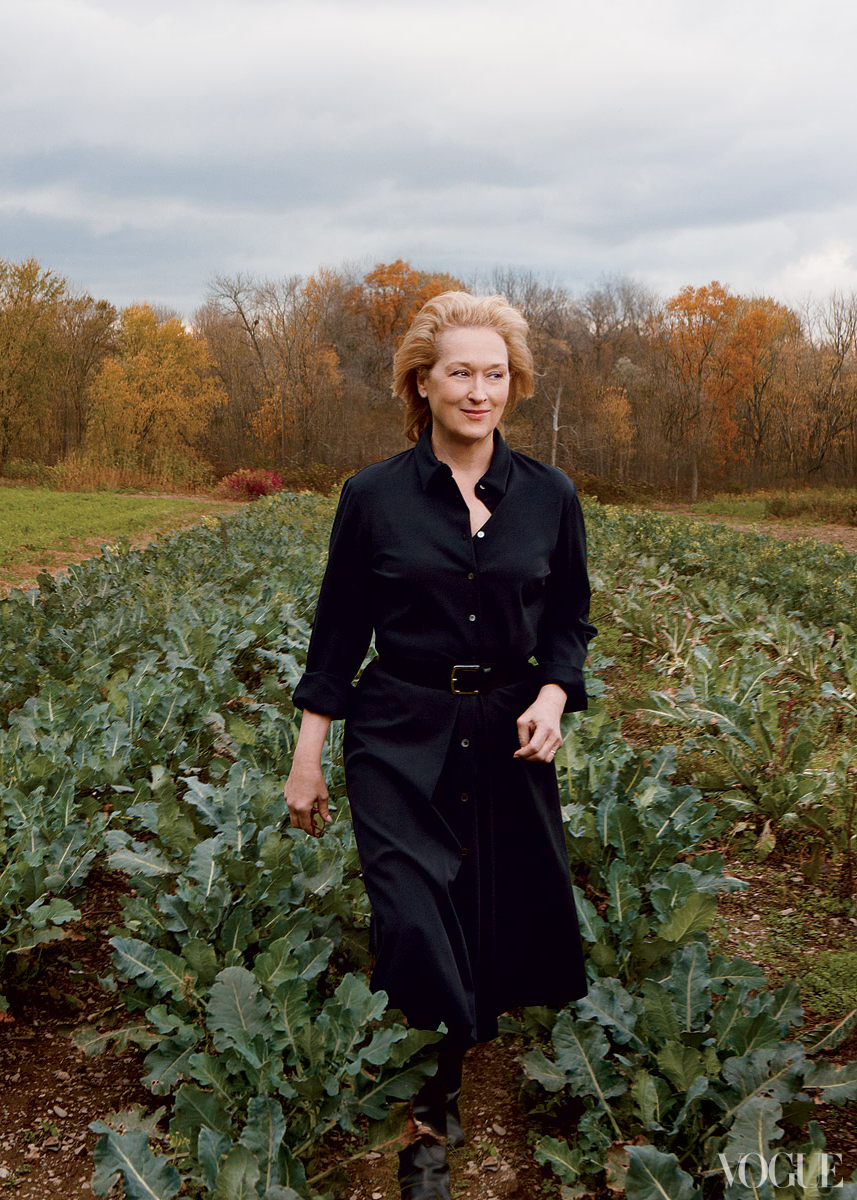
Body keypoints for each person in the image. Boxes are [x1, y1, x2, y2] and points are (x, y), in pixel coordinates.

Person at [283, 291, 595, 1200]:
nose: (478, 391)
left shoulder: (547, 496)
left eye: (494, 374)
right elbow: (337, 634)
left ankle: (442, 1076)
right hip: (396, 729)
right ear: (421, 383)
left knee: (485, 915)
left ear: (514, 383)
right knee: (414, 914)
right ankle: (427, 1121)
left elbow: (569, 620)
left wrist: (550, 695)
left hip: (504, 730)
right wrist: (308, 753)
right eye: (459, 372)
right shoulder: (374, 497)